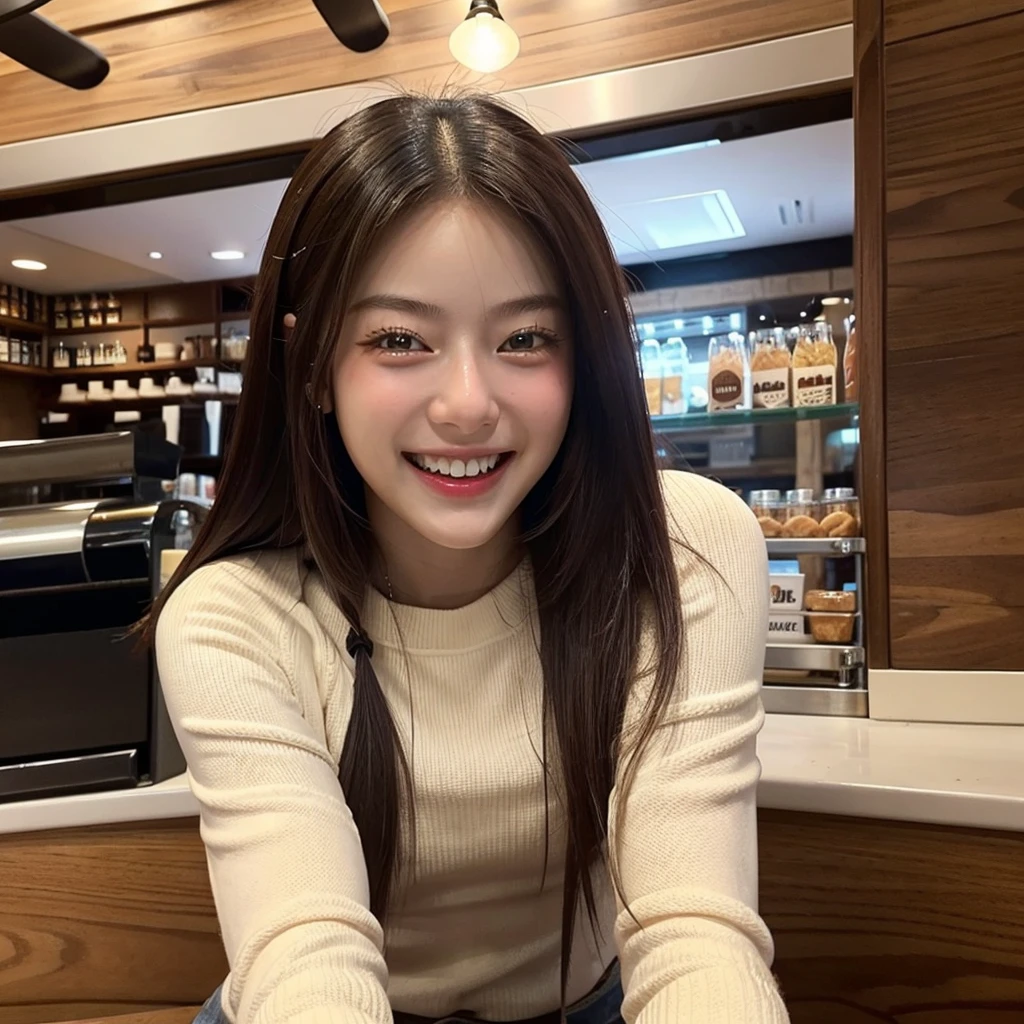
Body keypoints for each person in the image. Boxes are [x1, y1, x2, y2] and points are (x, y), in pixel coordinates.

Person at [150, 94, 789, 1024]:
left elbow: (694, 935)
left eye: (525, 338)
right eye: (399, 340)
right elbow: (303, 957)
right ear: (316, 366)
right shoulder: (232, 615)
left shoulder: (684, 549)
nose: (467, 403)